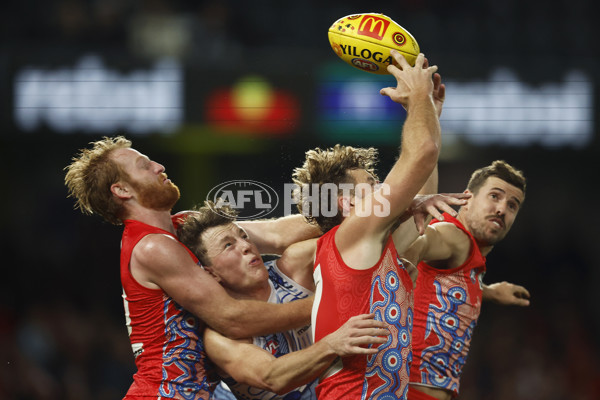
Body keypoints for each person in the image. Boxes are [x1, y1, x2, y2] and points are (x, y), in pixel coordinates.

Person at [64, 137, 321, 400]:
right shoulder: (151, 247)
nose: (159, 166)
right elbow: (232, 319)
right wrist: (330, 305)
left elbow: (277, 234)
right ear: (121, 190)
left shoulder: (185, 226)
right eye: (144, 166)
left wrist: (352, 212)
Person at [291, 51, 465, 399]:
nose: (387, 191)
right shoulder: (350, 236)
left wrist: (430, 112)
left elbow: (422, 198)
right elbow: (422, 152)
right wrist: (417, 97)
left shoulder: (370, 249)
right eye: (373, 185)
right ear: (347, 203)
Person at [177, 201, 390, 400]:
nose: (246, 245)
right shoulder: (219, 338)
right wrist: (331, 345)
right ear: (211, 273)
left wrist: (398, 210)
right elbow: (272, 377)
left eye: (244, 236)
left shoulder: (295, 266)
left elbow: (360, 237)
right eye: (228, 245)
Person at [404, 160, 531, 400]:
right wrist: (406, 264)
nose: (502, 209)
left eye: (512, 205)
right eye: (495, 196)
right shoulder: (454, 236)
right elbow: (424, 240)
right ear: (467, 198)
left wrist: (488, 291)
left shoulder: (469, 256)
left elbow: (445, 286)